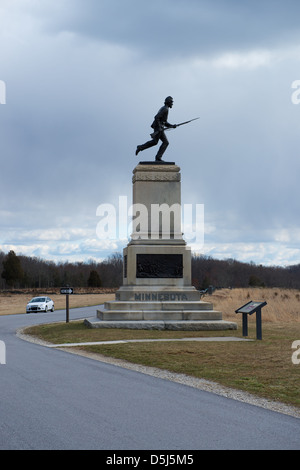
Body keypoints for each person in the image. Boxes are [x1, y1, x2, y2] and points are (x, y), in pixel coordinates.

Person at [135, 96, 177, 162]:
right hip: (158, 128)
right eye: (171, 102)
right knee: (165, 142)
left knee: (155, 142)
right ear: (168, 102)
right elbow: (156, 117)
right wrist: (160, 127)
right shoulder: (165, 109)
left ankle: (140, 147)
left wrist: (172, 126)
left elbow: (164, 122)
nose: (172, 103)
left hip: (159, 127)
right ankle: (158, 158)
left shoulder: (165, 108)